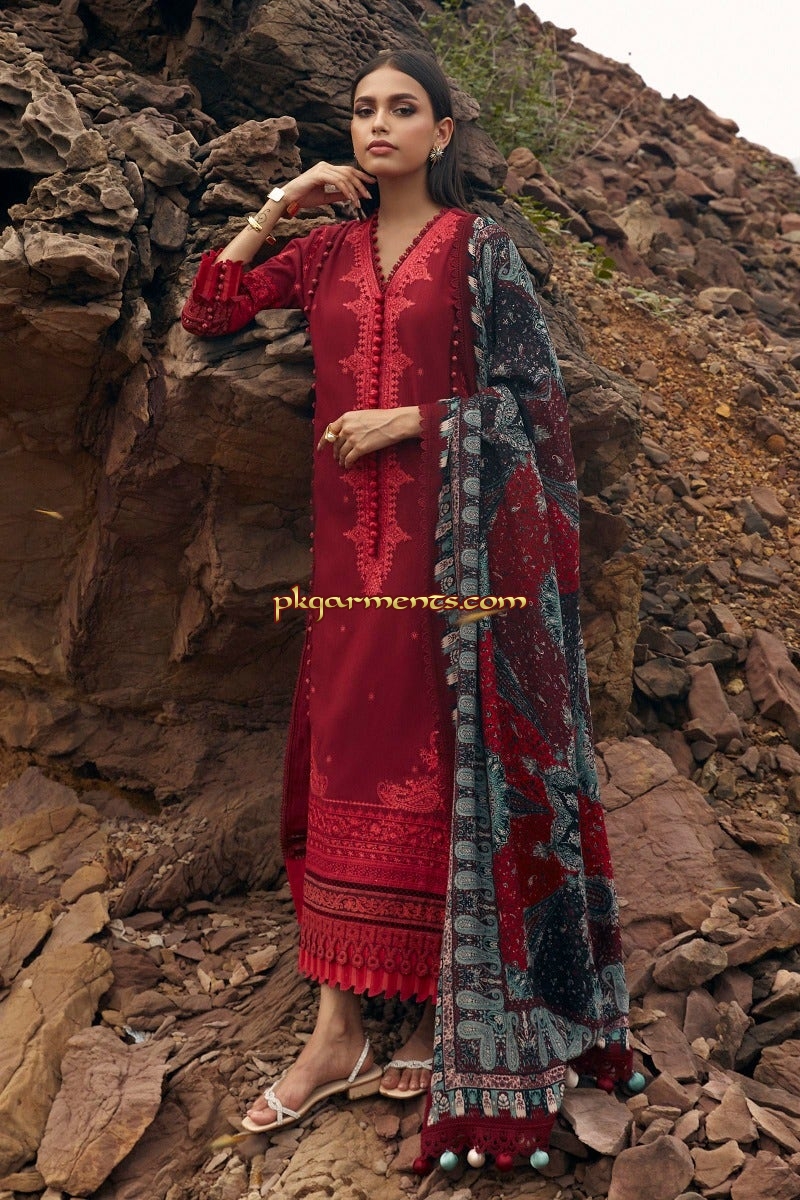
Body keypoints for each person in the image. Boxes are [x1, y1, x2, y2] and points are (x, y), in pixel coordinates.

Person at [181, 46, 639, 1173]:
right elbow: (211, 308)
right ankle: (336, 1030)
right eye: (362, 110)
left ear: (442, 133)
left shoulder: (479, 250)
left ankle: (437, 1016)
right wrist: (283, 200)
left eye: (403, 109)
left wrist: (416, 421)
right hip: (350, 563)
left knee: (446, 768)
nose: (378, 125)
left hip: (461, 568)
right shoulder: (325, 251)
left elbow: (536, 405)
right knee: (347, 755)